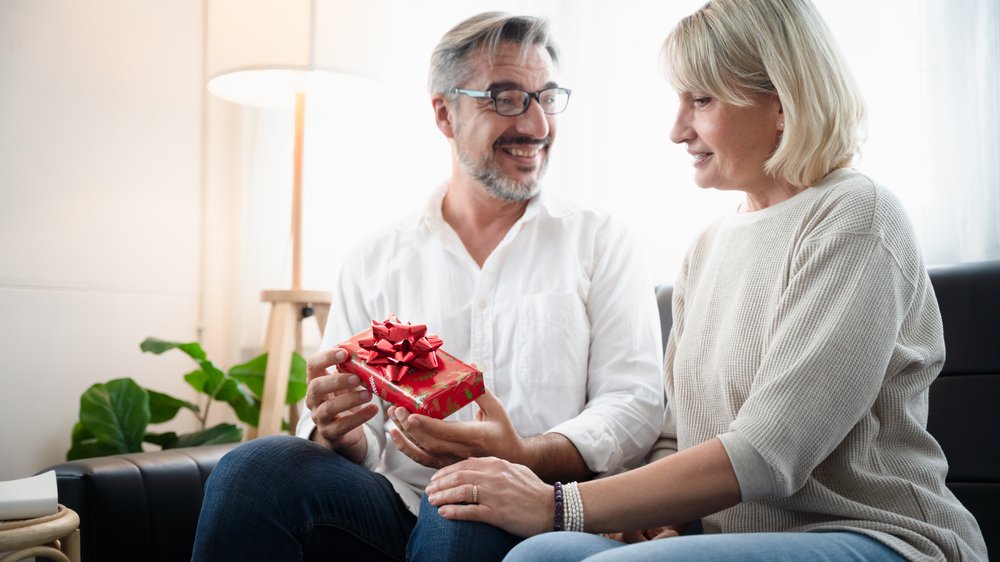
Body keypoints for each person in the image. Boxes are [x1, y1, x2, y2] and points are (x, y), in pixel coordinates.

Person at [422, 1, 990, 561]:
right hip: (732, 540)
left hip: (879, 536)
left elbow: (770, 450)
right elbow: (677, 436)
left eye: (701, 99)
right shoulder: (705, 249)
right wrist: (657, 519)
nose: (676, 130)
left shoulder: (856, 216)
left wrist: (560, 505)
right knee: (537, 557)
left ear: (783, 103)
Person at [191, 11, 665, 562]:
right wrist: (339, 433)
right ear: (445, 112)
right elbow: (352, 432)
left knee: (462, 509)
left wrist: (522, 456)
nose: (537, 124)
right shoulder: (375, 257)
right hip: (394, 502)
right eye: (506, 98)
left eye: (546, 96)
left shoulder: (602, 242)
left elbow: (633, 404)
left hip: (534, 505)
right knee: (254, 469)